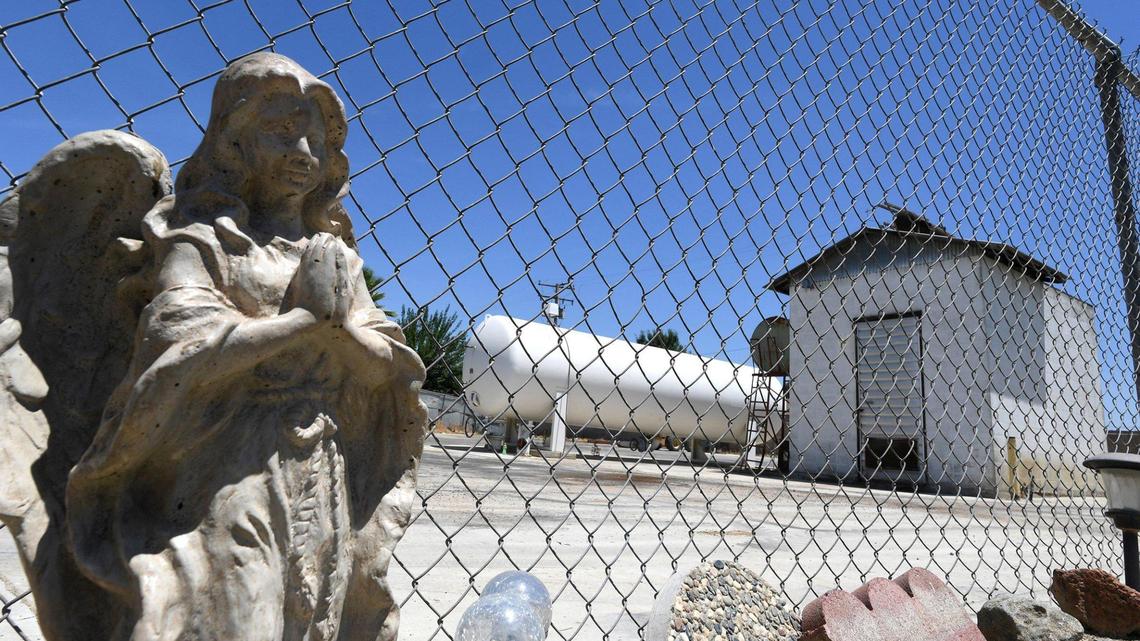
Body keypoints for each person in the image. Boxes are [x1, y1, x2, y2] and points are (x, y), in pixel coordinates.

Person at [65, 53, 427, 641]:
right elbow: (180, 342)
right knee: (238, 614)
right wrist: (305, 322)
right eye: (281, 131)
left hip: (323, 469)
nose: (303, 152)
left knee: (312, 616)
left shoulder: (333, 254)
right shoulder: (202, 240)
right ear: (233, 142)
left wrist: (338, 329)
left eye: (316, 140)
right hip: (227, 468)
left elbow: (387, 365)